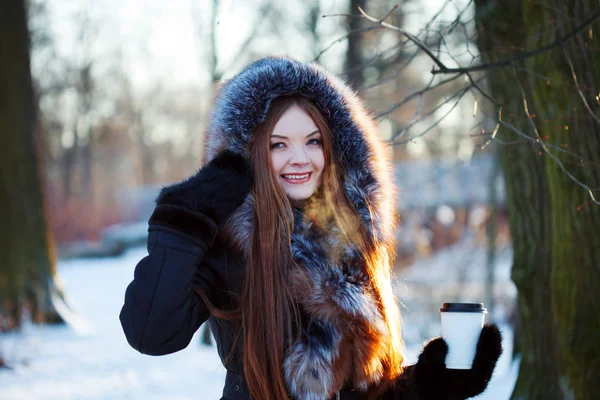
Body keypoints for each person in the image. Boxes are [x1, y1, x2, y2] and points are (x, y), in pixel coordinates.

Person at [119, 56, 502, 400]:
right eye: (278, 145)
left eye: (313, 141)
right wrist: (184, 222)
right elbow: (151, 333)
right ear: (249, 154)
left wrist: (432, 383)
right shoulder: (229, 244)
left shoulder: (352, 242)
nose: (299, 158)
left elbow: (362, 388)